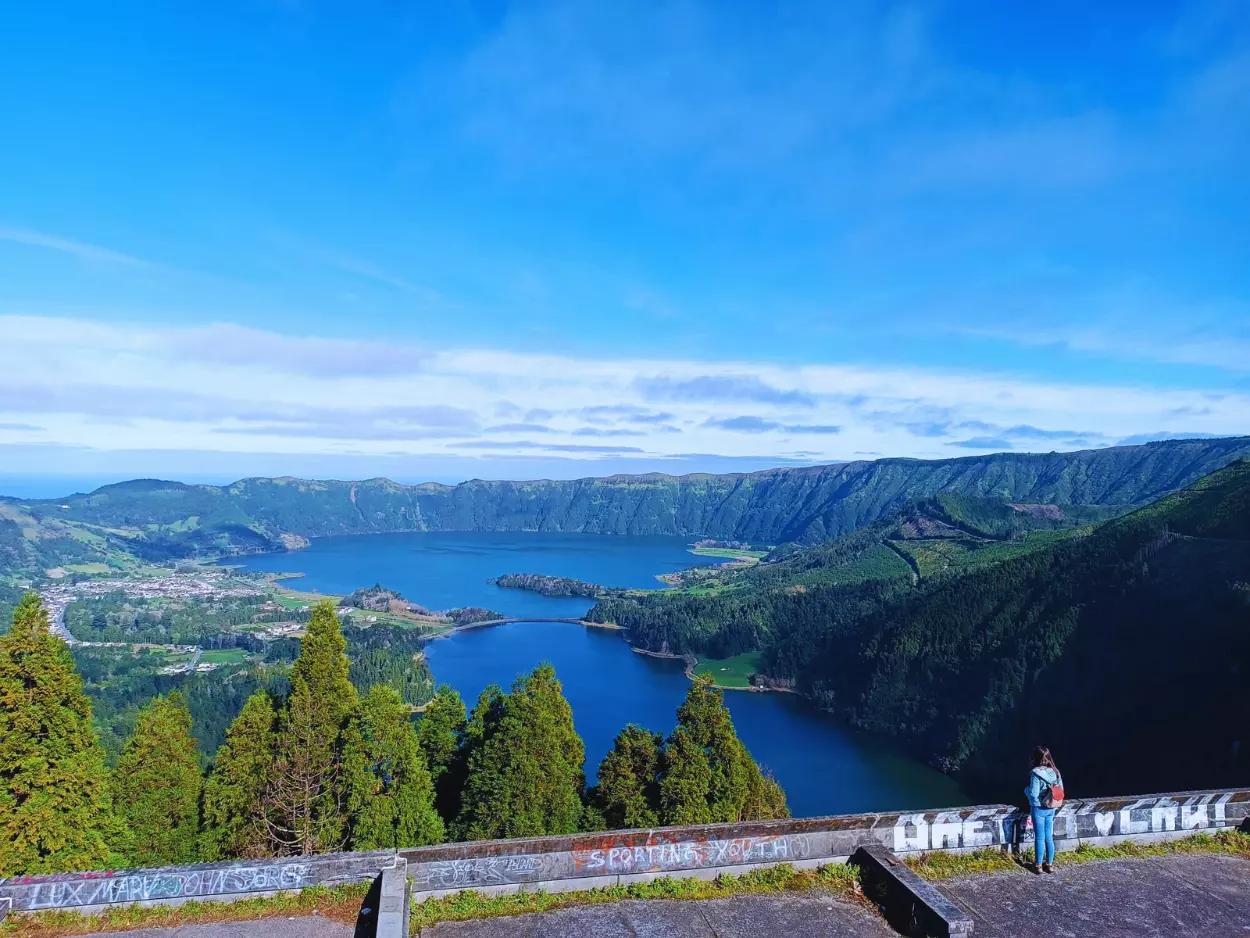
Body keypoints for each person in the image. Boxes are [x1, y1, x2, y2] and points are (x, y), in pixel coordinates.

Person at [1025, 746, 1063, 874]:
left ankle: (1038, 866)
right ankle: (1050, 865)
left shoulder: (1035, 774)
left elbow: (1034, 794)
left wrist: (1026, 791)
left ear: (1035, 758)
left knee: (1040, 838)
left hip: (1039, 809)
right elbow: (1060, 790)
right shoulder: (1055, 772)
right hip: (1051, 807)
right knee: (1049, 837)